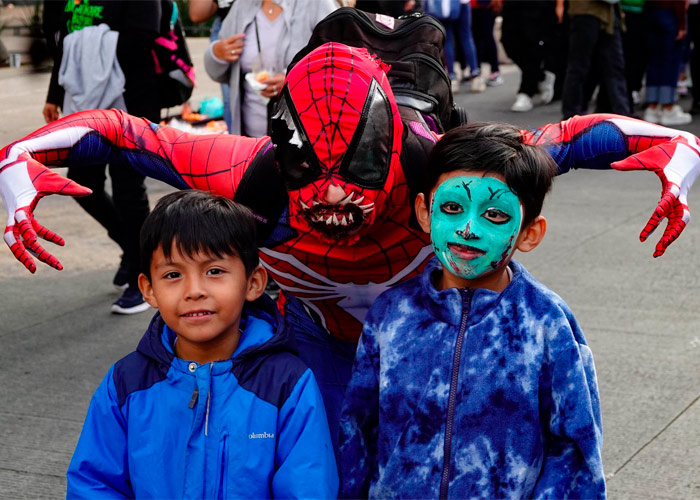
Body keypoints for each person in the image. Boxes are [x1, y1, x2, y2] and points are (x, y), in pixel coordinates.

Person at [1, 42, 699, 450]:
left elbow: (576, 137)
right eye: (311, 168)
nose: (334, 195)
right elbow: (122, 133)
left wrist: (678, 147)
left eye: (359, 167)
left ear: (397, 152)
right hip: (322, 342)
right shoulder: (251, 170)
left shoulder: (446, 162)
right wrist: (16, 160)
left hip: (440, 343)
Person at [339, 122, 605, 498]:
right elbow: (358, 428)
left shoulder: (547, 324)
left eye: (494, 215)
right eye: (451, 207)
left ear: (530, 232)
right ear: (425, 213)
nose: (467, 229)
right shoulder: (391, 315)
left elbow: (575, 450)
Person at [66, 190, 338, 499]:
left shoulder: (287, 383)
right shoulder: (126, 383)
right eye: (172, 274)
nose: (194, 290)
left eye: (214, 271)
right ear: (148, 289)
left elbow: (308, 487)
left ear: (253, 282)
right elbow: (94, 485)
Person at [42, 0, 162, 314]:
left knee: (127, 189)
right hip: (81, 102)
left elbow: (142, 38)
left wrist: (89, 42)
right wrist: (55, 94)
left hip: (131, 99)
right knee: (82, 182)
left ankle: (142, 275)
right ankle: (133, 247)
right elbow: (58, 41)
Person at [203, 0, 337, 137]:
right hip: (251, 142)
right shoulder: (241, 6)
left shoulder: (318, 4)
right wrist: (216, 53)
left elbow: (340, 64)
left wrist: (295, 79)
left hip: (305, 142)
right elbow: (216, 72)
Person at [561, 0, 630, 119]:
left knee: (614, 66)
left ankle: (621, 114)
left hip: (609, 13)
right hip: (585, 12)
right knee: (579, 67)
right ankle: (572, 116)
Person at [641, 0, 692, 126]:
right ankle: (668, 107)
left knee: (654, 60)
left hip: (651, 10)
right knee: (670, 62)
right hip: (670, 12)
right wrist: (681, 24)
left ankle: (653, 107)